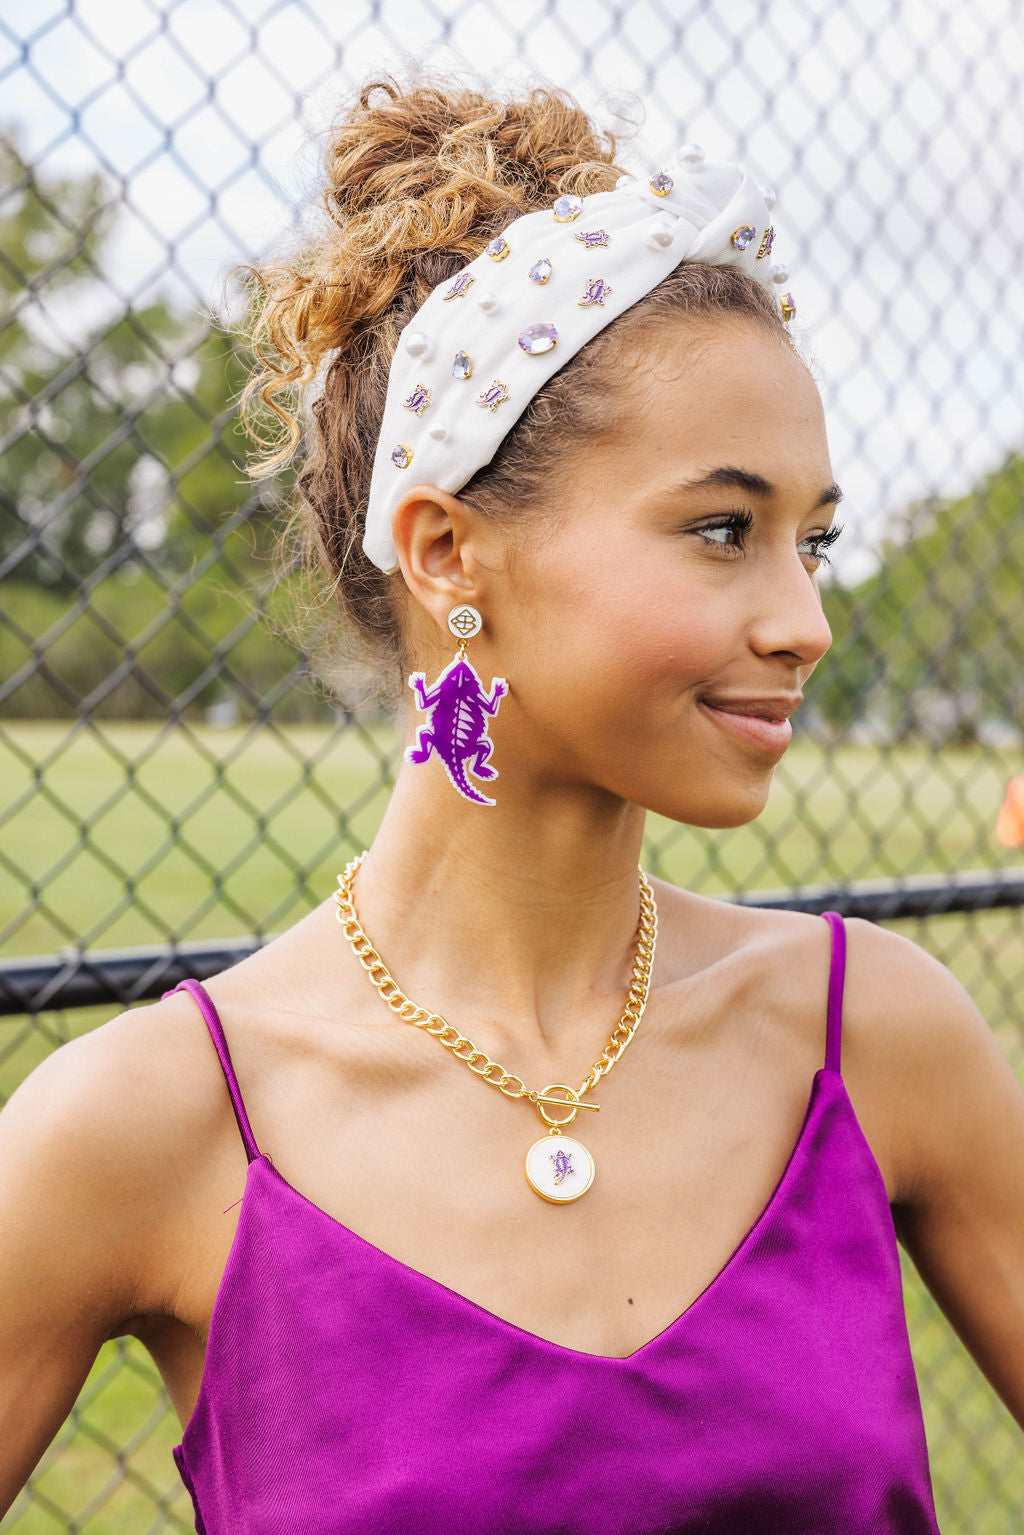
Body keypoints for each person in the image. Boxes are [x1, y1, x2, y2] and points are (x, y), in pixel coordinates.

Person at [2, 76, 1023, 1535]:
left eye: (817, 540)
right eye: (725, 529)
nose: (806, 620)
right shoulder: (147, 1130)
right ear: (446, 553)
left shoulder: (878, 1042)